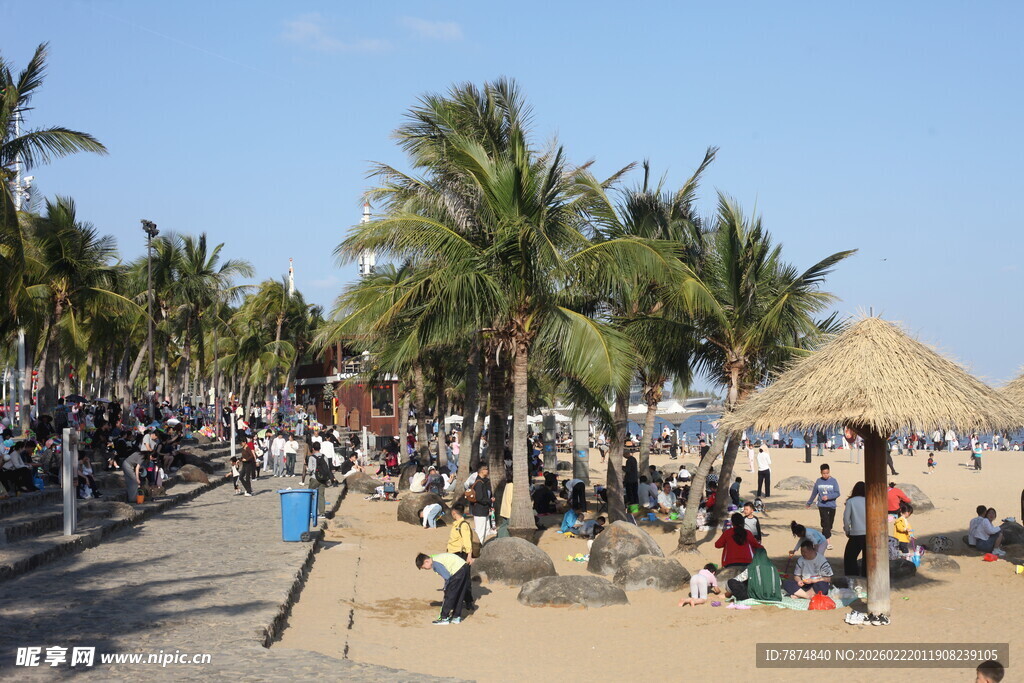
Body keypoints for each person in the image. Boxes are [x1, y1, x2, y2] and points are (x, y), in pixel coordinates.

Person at [415, 552, 471, 625]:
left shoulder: (436, 563)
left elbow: (447, 577)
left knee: (449, 595)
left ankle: (444, 618)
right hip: (464, 567)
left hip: (457, 571)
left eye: (423, 567)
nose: (424, 569)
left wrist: (446, 588)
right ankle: (456, 617)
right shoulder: (436, 558)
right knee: (460, 594)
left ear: (426, 561)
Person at [806, 464, 839, 548]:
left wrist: (828, 497)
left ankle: (824, 536)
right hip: (822, 505)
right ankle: (827, 542)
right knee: (825, 523)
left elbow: (837, 493)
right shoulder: (818, 481)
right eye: (824, 473)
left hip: (831, 506)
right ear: (821, 472)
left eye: (827, 473)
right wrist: (809, 503)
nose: (826, 475)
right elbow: (814, 493)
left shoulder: (834, 481)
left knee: (830, 524)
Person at [842, 481, 867, 576]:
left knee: (850, 557)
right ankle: (866, 576)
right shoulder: (869, 500)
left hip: (856, 533)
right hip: (869, 533)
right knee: (867, 558)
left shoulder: (851, 501)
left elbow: (846, 518)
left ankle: (852, 576)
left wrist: (847, 530)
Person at [305, 442, 335, 517]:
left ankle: (311, 512)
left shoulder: (312, 458)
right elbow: (327, 467)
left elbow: (310, 470)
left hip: (314, 478)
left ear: (313, 449)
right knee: (321, 495)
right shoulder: (324, 457)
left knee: (311, 495)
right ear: (320, 448)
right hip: (323, 479)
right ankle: (322, 513)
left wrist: (307, 470)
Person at [469, 465, 493, 544]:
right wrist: (490, 500)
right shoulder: (479, 483)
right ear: (482, 471)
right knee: (480, 532)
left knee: (486, 530)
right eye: (486, 469)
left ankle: (481, 547)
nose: (487, 470)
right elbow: (480, 498)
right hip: (480, 511)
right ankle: (478, 549)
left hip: (483, 510)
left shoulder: (483, 481)